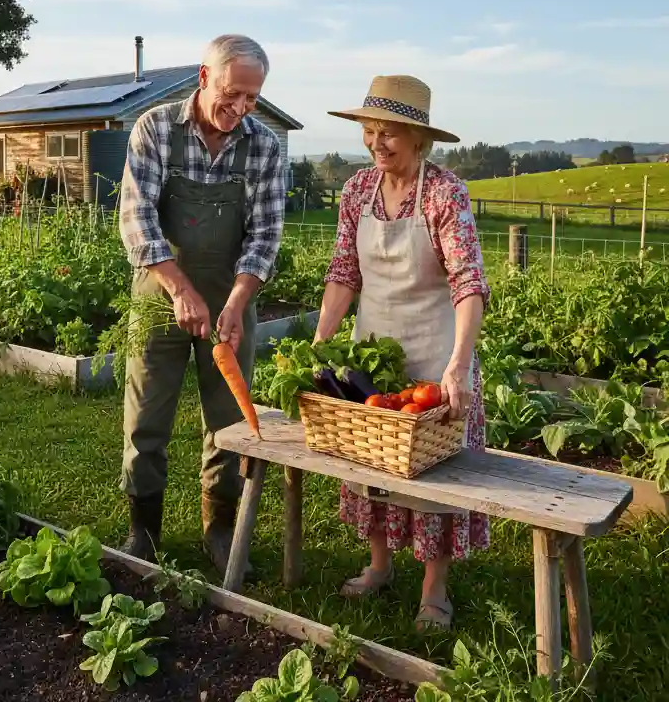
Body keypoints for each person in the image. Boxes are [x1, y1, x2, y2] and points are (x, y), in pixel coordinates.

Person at [314, 74, 490, 631]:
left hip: (434, 353)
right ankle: (379, 565)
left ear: (420, 139)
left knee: (434, 474)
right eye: (369, 131)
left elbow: (468, 281)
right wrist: (319, 341)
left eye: (388, 132)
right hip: (374, 356)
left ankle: (434, 590)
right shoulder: (357, 190)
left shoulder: (444, 193)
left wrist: (458, 363)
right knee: (372, 460)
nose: (376, 143)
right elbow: (344, 272)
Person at [117, 33, 286, 574]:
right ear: (204, 77)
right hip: (160, 293)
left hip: (230, 298)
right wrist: (179, 289)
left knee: (229, 419)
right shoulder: (156, 129)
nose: (241, 108)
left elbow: (264, 236)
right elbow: (137, 219)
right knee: (146, 415)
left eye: (252, 98)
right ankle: (143, 531)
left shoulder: (264, 147)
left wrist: (236, 301)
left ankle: (219, 528)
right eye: (232, 94)